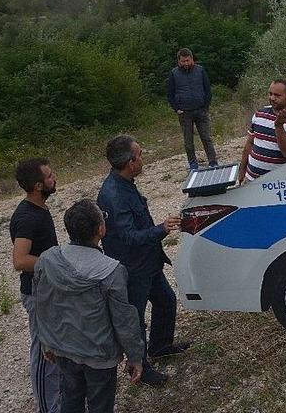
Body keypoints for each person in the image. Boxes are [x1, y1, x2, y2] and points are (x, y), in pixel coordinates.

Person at [33, 199, 144, 413]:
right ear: (101, 229)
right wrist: (135, 356)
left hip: (64, 349)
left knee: (70, 401)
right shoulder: (111, 270)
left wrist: (47, 341)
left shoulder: (47, 260)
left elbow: (43, 305)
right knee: (100, 405)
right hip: (99, 356)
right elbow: (124, 320)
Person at [97, 135, 188, 387]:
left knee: (166, 301)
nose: (143, 158)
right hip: (132, 268)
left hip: (148, 262)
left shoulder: (126, 182)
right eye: (140, 155)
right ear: (130, 162)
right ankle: (141, 367)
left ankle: (160, 345)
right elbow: (127, 236)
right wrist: (161, 229)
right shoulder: (113, 195)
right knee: (135, 319)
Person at [9, 158, 60, 413]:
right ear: (39, 186)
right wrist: (54, 263)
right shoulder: (27, 217)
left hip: (49, 290)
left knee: (56, 348)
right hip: (37, 294)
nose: (55, 178)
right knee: (43, 353)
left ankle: (58, 400)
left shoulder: (40, 208)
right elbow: (19, 260)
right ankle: (47, 408)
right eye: (50, 176)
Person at [238, 79, 286, 183]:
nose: (272, 98)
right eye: (270, 94)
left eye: (277, 95)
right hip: (251, 180)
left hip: (278, 184)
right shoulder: (259, 114)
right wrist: (242, 170)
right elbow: (249, 144)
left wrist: (279, 127)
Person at [167, 48, 218, 171]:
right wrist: (176, 108)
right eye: (183, 61)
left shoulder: (200, 70)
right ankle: (193, 164)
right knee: (188, 141)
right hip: (184, 112)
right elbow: (170, 94)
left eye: (188, 60)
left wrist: (206, 106)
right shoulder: (174, 73)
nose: (186, 63)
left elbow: (208, 90)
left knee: (206, 137)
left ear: (192, 59)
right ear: (179, 61)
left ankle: (213, 162)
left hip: (201, 110)